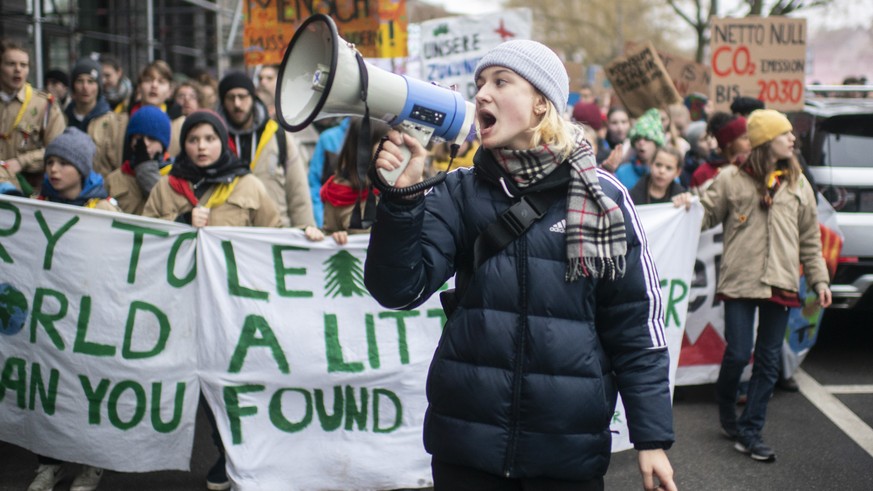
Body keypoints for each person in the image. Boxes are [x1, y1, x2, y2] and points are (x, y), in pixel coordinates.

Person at [364, 39, 676, 491]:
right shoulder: (457, 192)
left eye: (501, 82)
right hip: (467, 448)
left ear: (540, 106)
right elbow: (398, 289)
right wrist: (401, 201)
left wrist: (651, 437)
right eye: (479, 84)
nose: (482, 94)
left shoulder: (603, 198)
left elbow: (635, 328)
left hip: (566, 453)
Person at [685, 109, 831, 462]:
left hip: (781, 281)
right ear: (766, 141)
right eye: (785, 134)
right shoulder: (731, 178)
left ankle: (750, 430)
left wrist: (819, 279)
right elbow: (701, 217)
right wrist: (686, 206)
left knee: (767, 361)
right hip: (740, 280)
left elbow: (810, 239)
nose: (793, 139)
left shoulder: (798, 184)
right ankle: (726, 405)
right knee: (738, 352)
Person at [28, 127, 118, 491]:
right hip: (50, 317)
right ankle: (49, 464)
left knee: (87, 391)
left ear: (81, 168)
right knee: (49, 391)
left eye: (63, 162)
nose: (53, 169)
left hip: (92, 318)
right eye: (50, 161)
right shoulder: (36, 206)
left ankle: (91, 462)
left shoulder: (105, 208)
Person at [217, 72, 319, 236]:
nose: (237, 104)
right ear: (223, 101)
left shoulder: (278, 136)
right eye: (231, 97)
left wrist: (305, 229)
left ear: (253, 97)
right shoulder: (214, 140)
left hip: (276, 234)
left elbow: (298, 191)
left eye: (242, 96)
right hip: (231, 236)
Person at [1, 39, 67, 195]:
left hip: (28, 192)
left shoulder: (44, 105)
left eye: (23, 65)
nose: (18, 70)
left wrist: (21, 162)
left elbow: (58, 149)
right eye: (11, 64)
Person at [319, 118, 391, 244]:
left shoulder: (399, 187)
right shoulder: (337, 194)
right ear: (365, 149)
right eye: (387, 144)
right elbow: (327, 241)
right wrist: (334, 237)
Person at [64, 57, 126, 177]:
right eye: (80, 81)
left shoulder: (112, 122)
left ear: (99, 86)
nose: (85, 87)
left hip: (101, 189)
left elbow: (118, 164)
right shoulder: (62, 118)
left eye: (91, 81)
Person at [105, 105, 172, 214]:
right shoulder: (113, 180)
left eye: (152, 139)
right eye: (139, 138)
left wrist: (145, 167)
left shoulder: (175, 179)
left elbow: (168, 207)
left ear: (163, 145)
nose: (145, 144)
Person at [690, 112, 750, 192]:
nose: (749, 142)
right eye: (744, 138)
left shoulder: (749, 167)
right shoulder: (702, 174)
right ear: (728, 142)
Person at [308, 117, 350, 227]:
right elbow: (314, 182)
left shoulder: (377, 135)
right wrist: (322, 221)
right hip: (331, 222)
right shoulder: (328, 138)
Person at [615, 107, 665, 190]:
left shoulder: (666, 172)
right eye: (637, 139)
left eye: (647, 139)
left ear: (657, 143)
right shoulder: (622, 172)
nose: (641, 143)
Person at [680, 120, 714, 188]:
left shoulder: (720, 160)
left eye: (711, 136)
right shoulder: (687, 168)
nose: (710, 142)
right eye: (704, 139)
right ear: (694, 145)